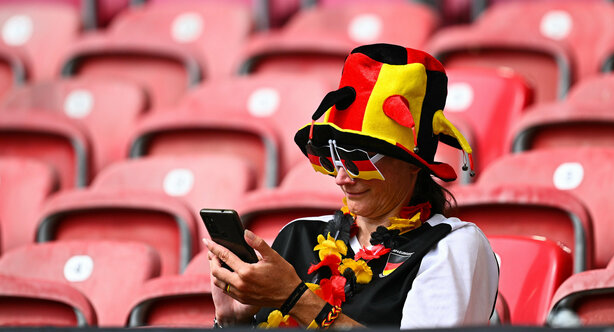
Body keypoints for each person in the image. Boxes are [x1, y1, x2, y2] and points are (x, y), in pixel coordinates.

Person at [203, 43, 499, 329]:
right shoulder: (298, 234)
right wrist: (233, 322)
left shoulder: (450, 246)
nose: (341, 177)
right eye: (331, 159)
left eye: (358, 159)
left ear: (413, 164)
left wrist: (293, 298)